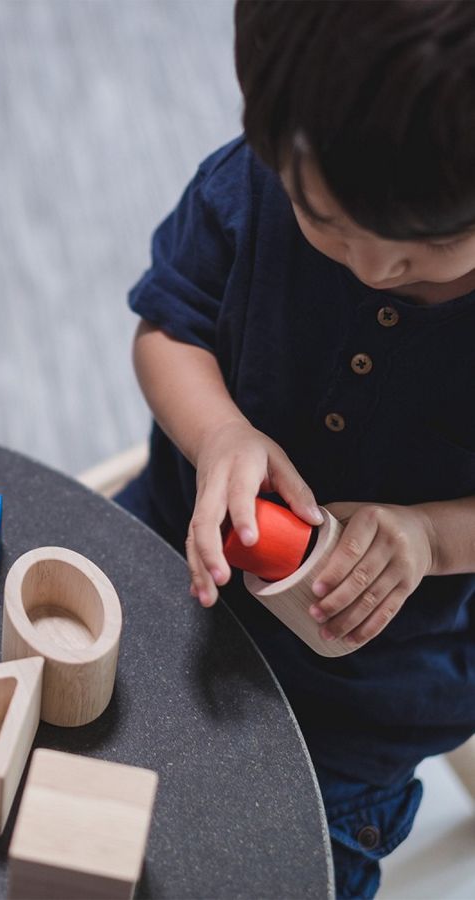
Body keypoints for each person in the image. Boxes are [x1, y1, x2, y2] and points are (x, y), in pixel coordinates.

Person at [115, 2, 475, 897]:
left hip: (361, 704)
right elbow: (168, 328)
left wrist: (430, 536)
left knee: (283, 872)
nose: (375, 268)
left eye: (436, 245)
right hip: (169, 552)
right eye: (328, 225)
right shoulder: (263, 181)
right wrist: (218, 433)